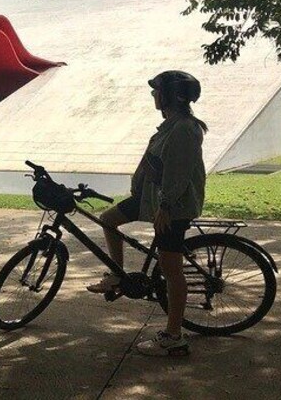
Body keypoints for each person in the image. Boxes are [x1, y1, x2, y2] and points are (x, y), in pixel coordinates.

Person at [86, 70, 207, 357]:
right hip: (151, 200)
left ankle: (174, 336)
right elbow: (153, 161)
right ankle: (116, 275)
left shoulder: (184, 129)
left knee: (171, 271)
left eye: (158, 90)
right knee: (108, 218)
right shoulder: (170, 126)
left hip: (171, 208)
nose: (154, 95)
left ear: (171, 96)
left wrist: (165, 206)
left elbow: (179, 172)